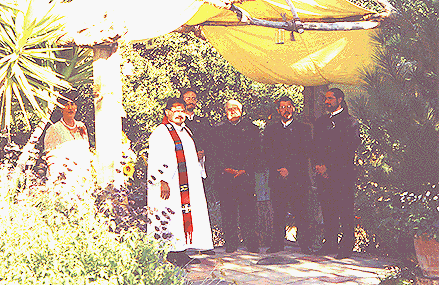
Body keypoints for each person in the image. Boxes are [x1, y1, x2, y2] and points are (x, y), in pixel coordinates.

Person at [147, 97, 214, 266]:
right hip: (170, 184)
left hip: (187, 183)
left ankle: (182, 250)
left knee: (183, 216)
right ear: (167, 112)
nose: (179, 113)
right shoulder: (161, 132)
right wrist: (162, 180)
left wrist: (199, 159)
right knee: (170, 216)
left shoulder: (186, 132)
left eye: (181, 110)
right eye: (175, 110)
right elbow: (156, 157)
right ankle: (170, 253)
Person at [313, 88, 361, 259]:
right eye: (326, 99)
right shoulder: (320, 122)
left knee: (345, 210)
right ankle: (330, 243)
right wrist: (319, 166)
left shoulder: (351, 122)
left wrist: (329, 169)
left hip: (342, 175)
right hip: (322, 174)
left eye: (331, 98)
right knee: (328, 210)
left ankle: (346, 246)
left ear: (340, 99)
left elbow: (347, 149)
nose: (327, 102)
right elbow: (315, 146)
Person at [263, 96, 314, 254]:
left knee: (301, 212)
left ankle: (305, 244)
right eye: (282, 107)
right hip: (277, 177)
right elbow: (266, 152)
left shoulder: (304, 128)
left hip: (298, 177)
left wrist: (289, 170)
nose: (286, 110)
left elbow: (304, 153)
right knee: (278, 212)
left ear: (293, 108)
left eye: (289, 106)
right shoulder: (270, 129)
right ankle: (277, 244)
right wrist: (279, 168)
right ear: (278, 110)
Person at [214, 99, 259, 253]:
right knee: (228, 211)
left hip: (245, 176)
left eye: (236, 108)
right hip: (226, 177)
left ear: (242, 110)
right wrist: (226, 169)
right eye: (229, 109)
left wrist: (245, 169)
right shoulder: (218, 129)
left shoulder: (252, 129)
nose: (232, 111)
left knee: (249, 212)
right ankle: (231, 243)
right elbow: (214, 153)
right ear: (224, 111)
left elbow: (257, 152)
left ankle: (251, 243)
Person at [181, 88, 215, 256]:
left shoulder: (203, 122)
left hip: (201, 166)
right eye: (188, 98)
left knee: (201, 204)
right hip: (183, 169)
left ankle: (202, 241)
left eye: (193, 98)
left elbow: (210, 139)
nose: (191, 101)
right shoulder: (178, 123)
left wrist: (202, 151)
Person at [44, 90, 91, 186]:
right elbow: (51, 157)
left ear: (76, 107)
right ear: (61, 108)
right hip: (64, 179)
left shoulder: (82, 127)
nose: (70, 108)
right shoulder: (54, 129)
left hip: (83, 178)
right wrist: (57, 180)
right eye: (66, 104)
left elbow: (86, 152)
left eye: (72, 104)